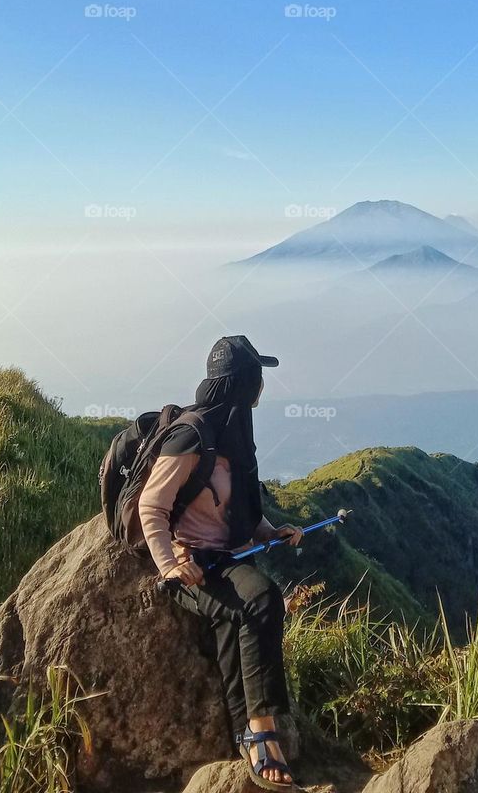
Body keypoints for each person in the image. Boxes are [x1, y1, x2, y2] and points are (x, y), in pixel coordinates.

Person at [138, 336, 303, 789]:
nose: (261, 388)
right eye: (257, 378)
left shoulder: (233, 430)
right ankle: (262, 732)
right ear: (240, 383)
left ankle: (248, 730)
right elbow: (151, 505)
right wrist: (170, 566)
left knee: (243, 615)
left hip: (227, 556)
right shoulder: (194, 435)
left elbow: (238, 504)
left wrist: (271, 532)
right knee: (261, 600)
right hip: (193, 563)